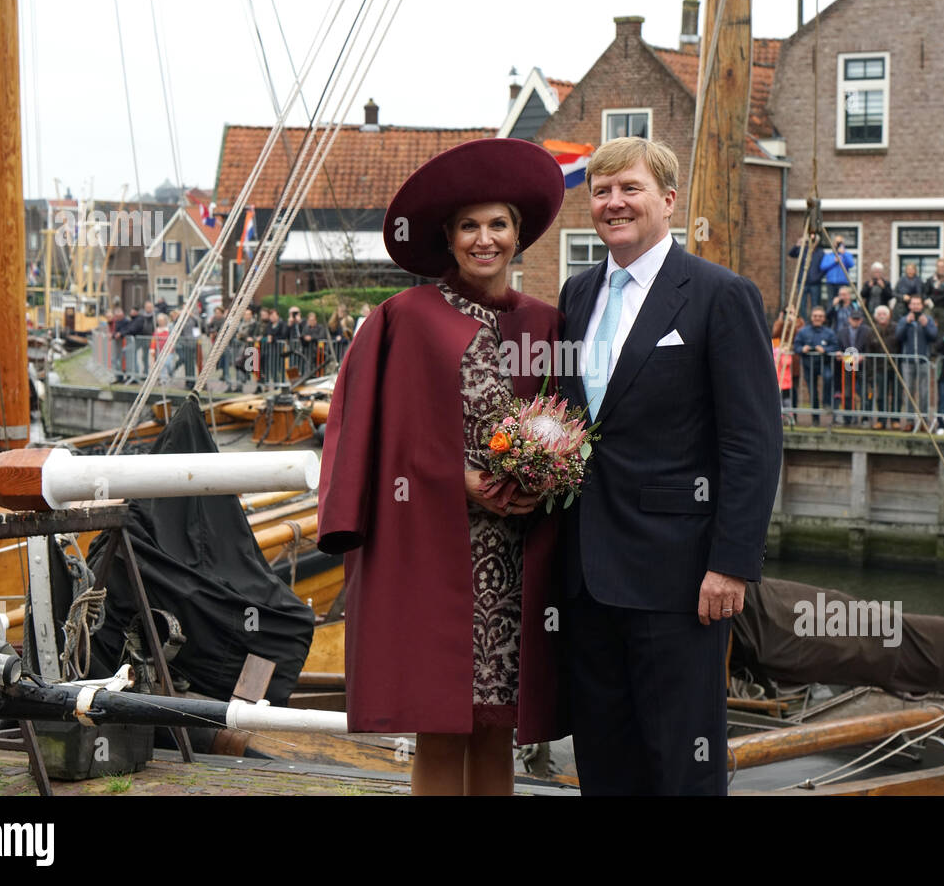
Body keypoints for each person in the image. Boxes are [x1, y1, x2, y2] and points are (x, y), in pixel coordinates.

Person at [316, 137, 568, 795]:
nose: (484, 239)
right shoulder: (407, 319)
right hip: (433, 546)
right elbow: (373, 434)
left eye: (498, 224)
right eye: (469, 226)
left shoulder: (547, 324)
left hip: (517, 555)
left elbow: (567, 422)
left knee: (497, 724)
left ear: (518, 234)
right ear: (449, 237)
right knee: (441, 721)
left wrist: (543, 478)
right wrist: (457, 480)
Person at [556, 136, 779, 795]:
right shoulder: (576, 294)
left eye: (630, 188)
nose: (614, 202)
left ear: (668, 200)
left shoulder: (719, 295)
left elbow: (752, 441)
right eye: (602, 191)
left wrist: (731, 561)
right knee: (603, 759)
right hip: (586, 576)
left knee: (682, 762)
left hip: (679, 578)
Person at [894, 295, 937, 432]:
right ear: (909, 306)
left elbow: (934, 336)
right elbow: (898, 337)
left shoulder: (928, 320)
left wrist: (925, 326)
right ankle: (909, 421)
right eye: (913, 304)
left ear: (922, 306)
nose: (916, 306)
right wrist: (907, 323)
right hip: (908, 362)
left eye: (918, 304)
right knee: (908, 393)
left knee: (924, 392)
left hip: (923, 361)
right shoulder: (903, 320)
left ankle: (924, 421)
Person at [794, 306, 838, 426]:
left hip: (825, 363)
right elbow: (796, 345)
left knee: (828, 378)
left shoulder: (829, 332)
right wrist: (802, 348)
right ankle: (815, 419)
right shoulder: (803, 331)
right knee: (812, 391)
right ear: (811, 317)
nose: (817, 318)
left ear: (824, 318)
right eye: (815, 316)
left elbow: (835, 346)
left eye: (820, 316)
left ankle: (826, 402)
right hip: (809, 365)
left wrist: (825, 349)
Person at [833, 308, 871, 425]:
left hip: (862, 365)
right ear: (849, 319)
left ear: (861, 320)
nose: (855, 321)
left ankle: (865, 418)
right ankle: (848, 418)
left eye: (858, 319)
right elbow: (837, 346)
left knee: (864, 391)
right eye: (853, 319)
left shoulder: (867, 331)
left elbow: (870, 348)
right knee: (847, 390)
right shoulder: (842, 332)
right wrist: (838, 353)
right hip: (847, 364)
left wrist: (863, 356)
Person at [865, 304, 899, 429]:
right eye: (879, 314)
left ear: (889, 315)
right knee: (881, 396)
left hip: (895, 367)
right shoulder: (872, 331)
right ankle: (882, 420)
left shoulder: (896, 328)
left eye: (884, 314)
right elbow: (869, 351)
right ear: (875, 317)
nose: (882, 316)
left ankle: (895, 420)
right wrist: (870, 372)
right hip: (879, 368)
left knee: (896, 395)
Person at [788, 233, 826, 311]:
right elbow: (791, 254)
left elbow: (824, 267)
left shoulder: (820, 253)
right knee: (801, 304)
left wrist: (817, 277)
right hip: (802, 282)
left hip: (815, 283)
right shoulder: (803, 250)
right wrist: (798, 244)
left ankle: (813, 320)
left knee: (815, 304)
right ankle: (804, 321)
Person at [820, 236, 855, 304]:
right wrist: (834, 261)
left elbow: (851, 264)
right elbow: (822, 267)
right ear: (833, 244)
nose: (838, 244)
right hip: (831, 283)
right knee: (831, 302)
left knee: (843, 301)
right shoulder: (828, 256)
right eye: (837, 242)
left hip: (842, 283)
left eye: (840, 242)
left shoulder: (847, 255)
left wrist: (843, 253)